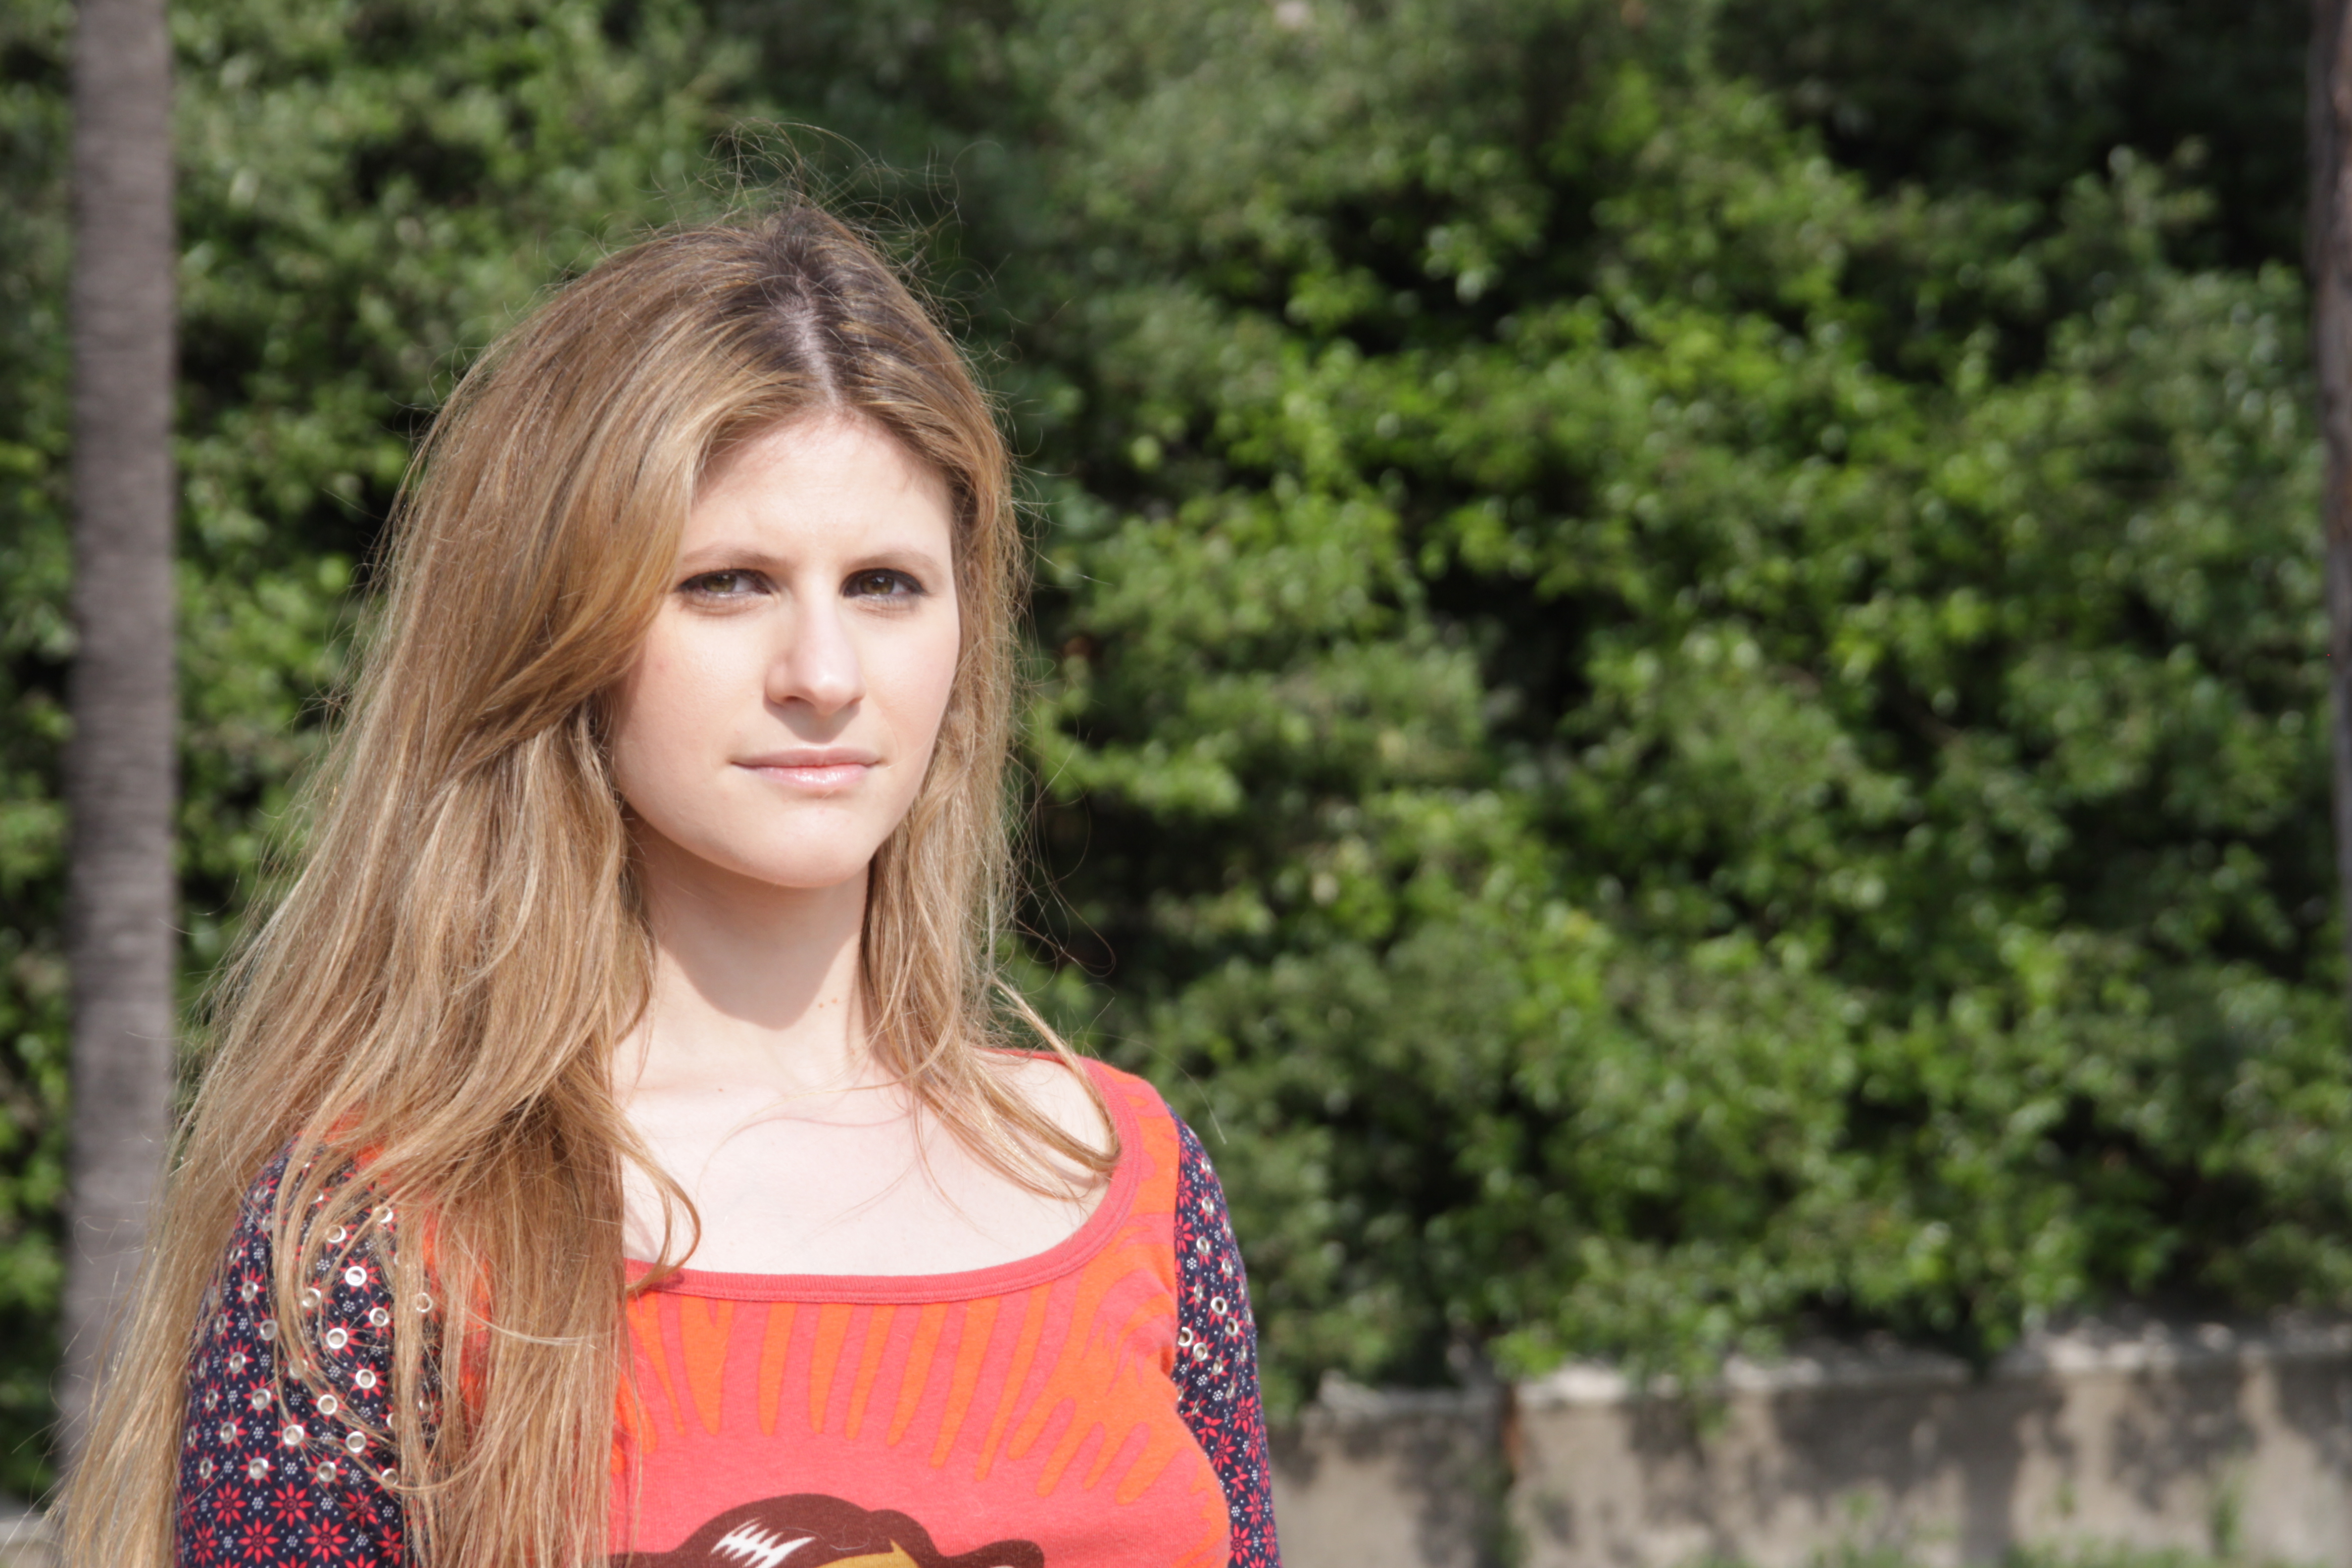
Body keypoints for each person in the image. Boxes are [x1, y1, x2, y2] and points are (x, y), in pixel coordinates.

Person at [63, 204, 1280, 1568]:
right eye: (728, 584)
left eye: (885, 584)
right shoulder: (383, 1233)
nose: (824, 675)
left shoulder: (1126, 1177)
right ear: (559, 627)